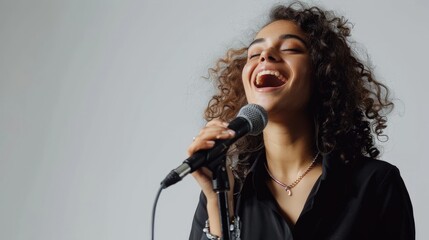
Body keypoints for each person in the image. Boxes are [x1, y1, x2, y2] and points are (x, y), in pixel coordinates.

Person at [187, 2, 415, 239]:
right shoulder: (226, 191)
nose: (265, 55)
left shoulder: (375, 184)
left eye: (290, 49)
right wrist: (217, 201)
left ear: (322, 73)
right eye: (254, 54)